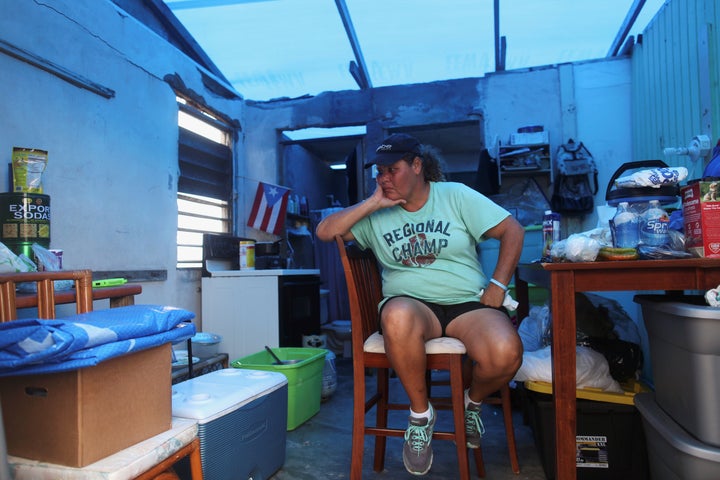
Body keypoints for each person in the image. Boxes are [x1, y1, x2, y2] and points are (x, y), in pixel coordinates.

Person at [315, 133, 524, 476]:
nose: (384, 178)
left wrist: (498, 285)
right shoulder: (377, 212)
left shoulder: (454, 195)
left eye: (392, 170)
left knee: (506, 353)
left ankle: (471, 402)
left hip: (466, 304)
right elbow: (325, 231)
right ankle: (421, 416)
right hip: (411, 305)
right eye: (379, 172)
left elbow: (512, 230)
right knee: (395, 316)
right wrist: (372, 203)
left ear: (417, 166)